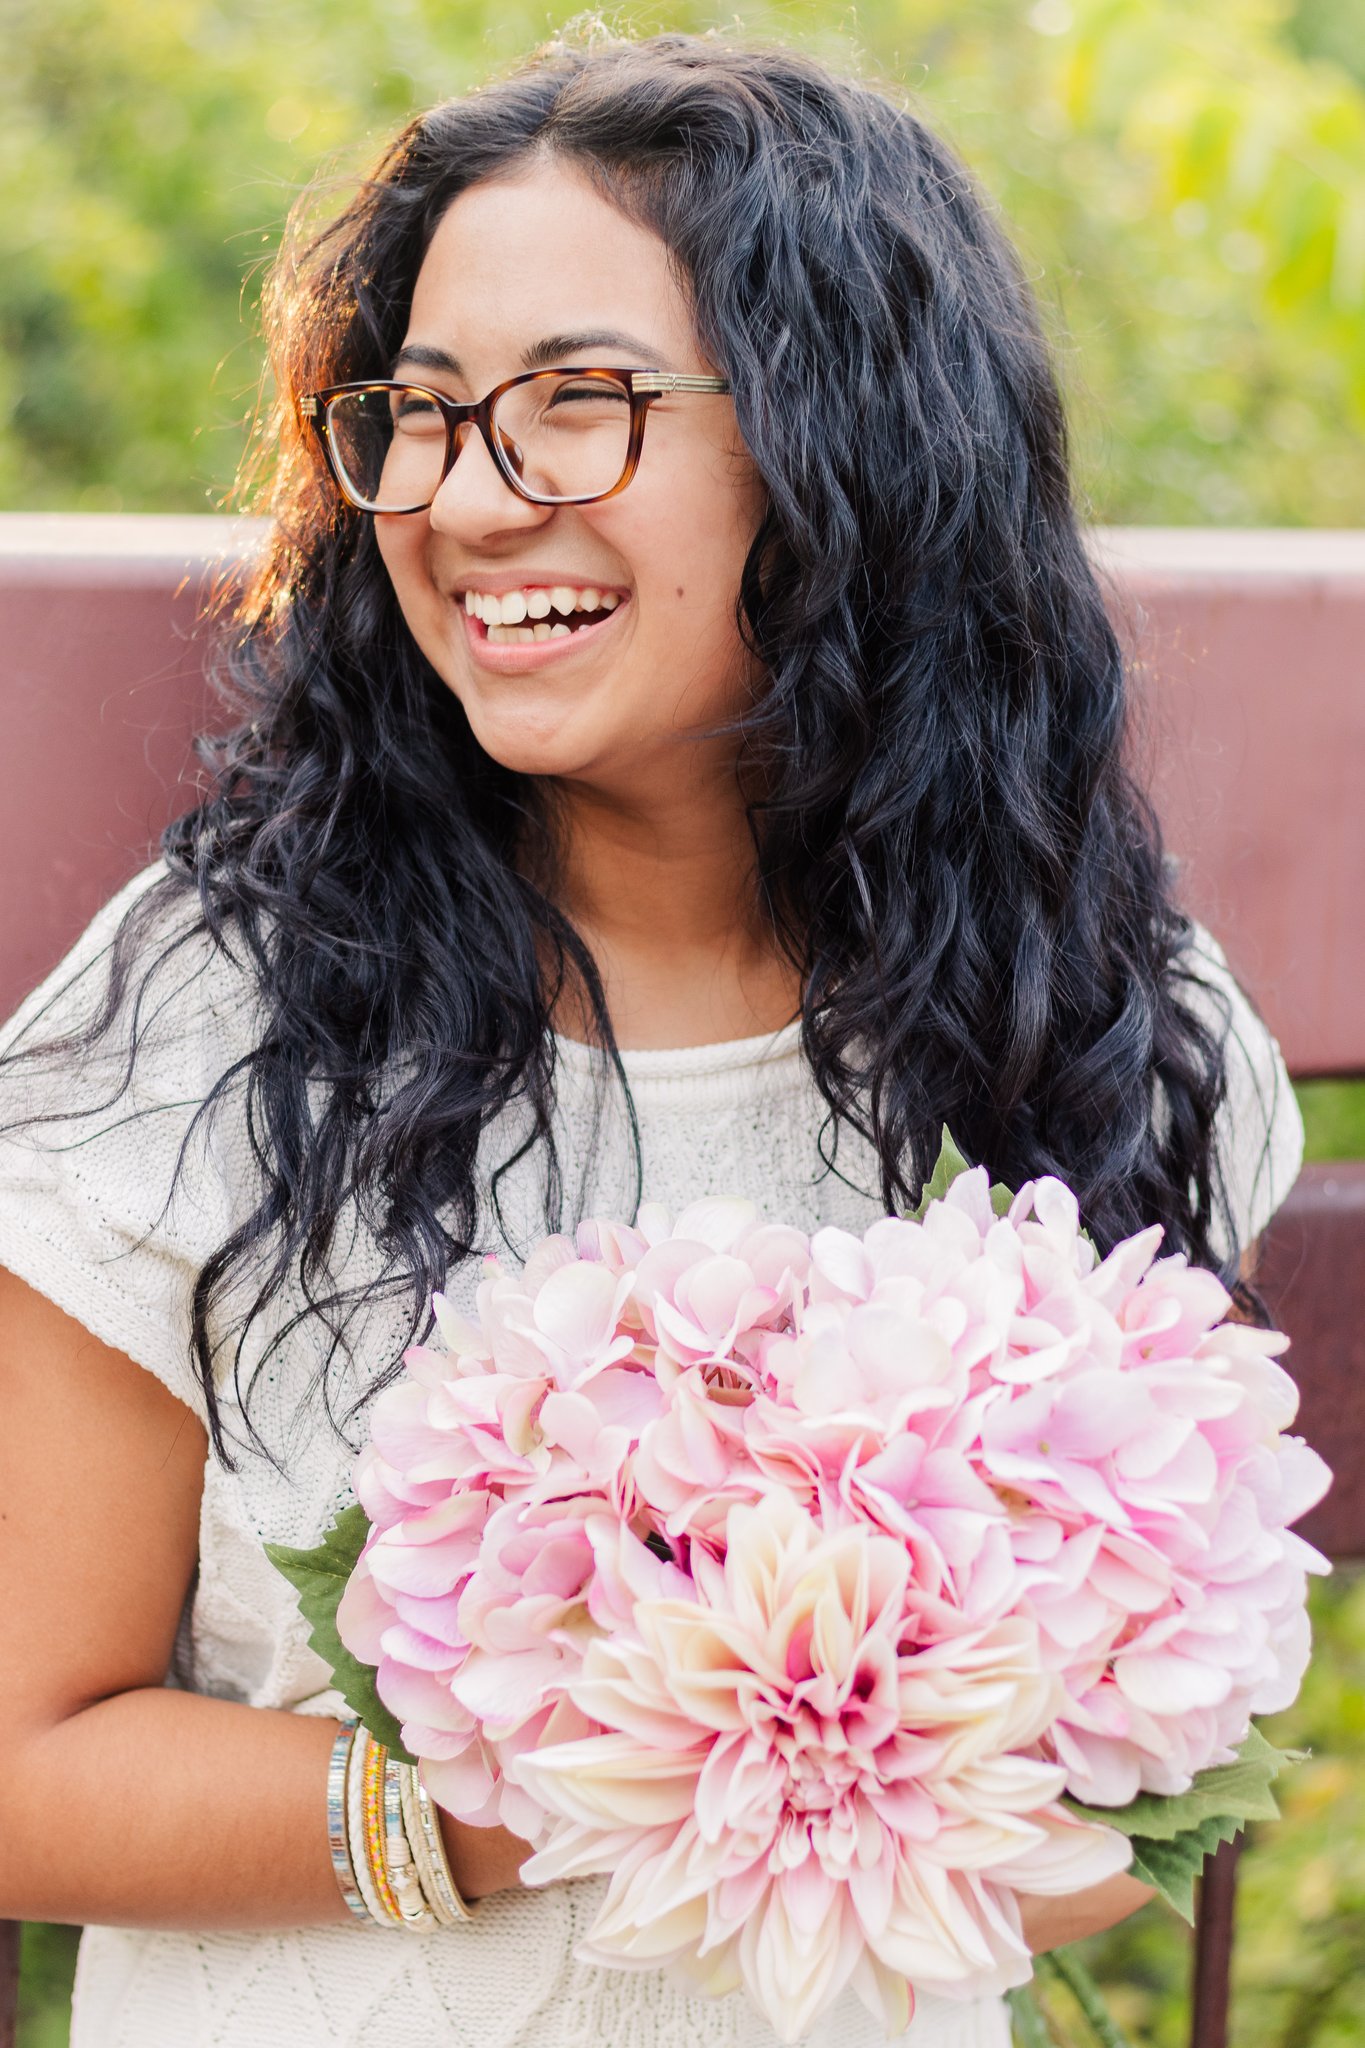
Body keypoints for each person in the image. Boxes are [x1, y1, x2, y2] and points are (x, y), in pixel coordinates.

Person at [0, 29, 1304, 2048]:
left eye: (574, 406)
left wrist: (913, 1732)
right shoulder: (218, 1015)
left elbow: (1079, 1824)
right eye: (417, 415)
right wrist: (617, 1757)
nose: (459, 498)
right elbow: (21, 1755)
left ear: (842, 438)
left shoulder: (1094, 1018)